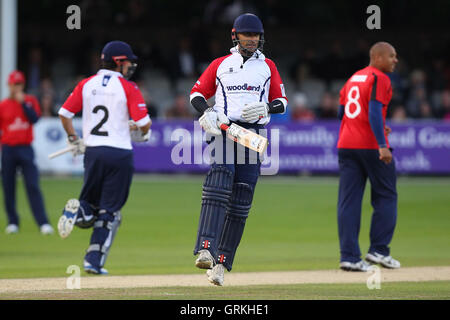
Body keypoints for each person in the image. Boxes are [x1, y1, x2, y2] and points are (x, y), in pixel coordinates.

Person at [190, 13, 288, 286]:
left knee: (242, 199)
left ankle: (221, 263)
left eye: (256, 35)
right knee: (220, 179)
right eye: (248, 35)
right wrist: (208, 112)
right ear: (235, 36)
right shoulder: (221, 64)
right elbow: (196, 94)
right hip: (224, 129)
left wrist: (268, 107)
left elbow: (282, 101)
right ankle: (206, 248)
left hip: (252, 134)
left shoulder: (268, 66)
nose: (253, 40)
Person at [56, 41, 151, 275]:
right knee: (109, 213)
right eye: (127, 61)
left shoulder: (86, 84)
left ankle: (78, 212)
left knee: (90, 207)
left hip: (93, 152)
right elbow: (145, 125)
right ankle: (93, 261)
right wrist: (132, 128)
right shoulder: (128, 87)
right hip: (119, 154)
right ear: (118, 62)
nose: (130, 66)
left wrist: (73, 139)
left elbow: (64, 114)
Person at [336, 41, 400, 272]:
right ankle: (379, 250)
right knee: (386, 195)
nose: (395, 60)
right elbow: (373, 110)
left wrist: (372, 127)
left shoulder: (354, 77)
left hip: (346, 144)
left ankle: (350, 257)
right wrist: (381, 143)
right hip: (371, 146)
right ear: (378, 57)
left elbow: (342, 112)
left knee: (348, 201)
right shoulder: (380, 78)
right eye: (392, 56)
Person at [0, 70, 54, 235]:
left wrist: (24, 103)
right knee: (8, 186)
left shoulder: (30, 101)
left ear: (23, 85)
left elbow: (34, 119)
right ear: (9, 85)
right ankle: (13, 222)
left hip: (25, 148)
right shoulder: (3, 105)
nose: (17, 87)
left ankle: (43, 223)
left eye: (19, 84)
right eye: (14, 84)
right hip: (8, 149)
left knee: (32, 185)